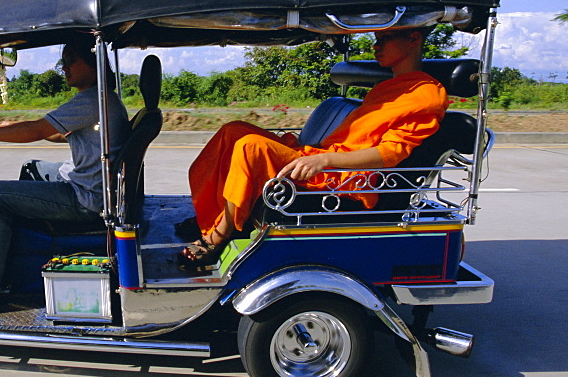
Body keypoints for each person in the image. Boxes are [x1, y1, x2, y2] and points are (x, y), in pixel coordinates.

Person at [181, 26, 448, 267]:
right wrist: (319, 154)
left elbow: (390, 153)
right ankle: (211, 217)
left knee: (251, 147)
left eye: (385, 39)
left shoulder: (427, 94)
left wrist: (324, 161)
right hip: (324, 156)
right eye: (376, 38)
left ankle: (219, 236)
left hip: (344, 178)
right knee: (234, 131)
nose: (375, 46)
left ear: (414, 39)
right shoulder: (388, 86)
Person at [0, 40, 130, 305]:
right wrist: (13, 127)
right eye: (63, 62)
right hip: (89, 184)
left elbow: (36, 130)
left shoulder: (92, 100)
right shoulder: (101, 97)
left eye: (71, 60)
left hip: (85, 199)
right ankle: (21, 249)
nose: (64, 68)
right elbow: (62, 133)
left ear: (93, 64)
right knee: (32, 167)